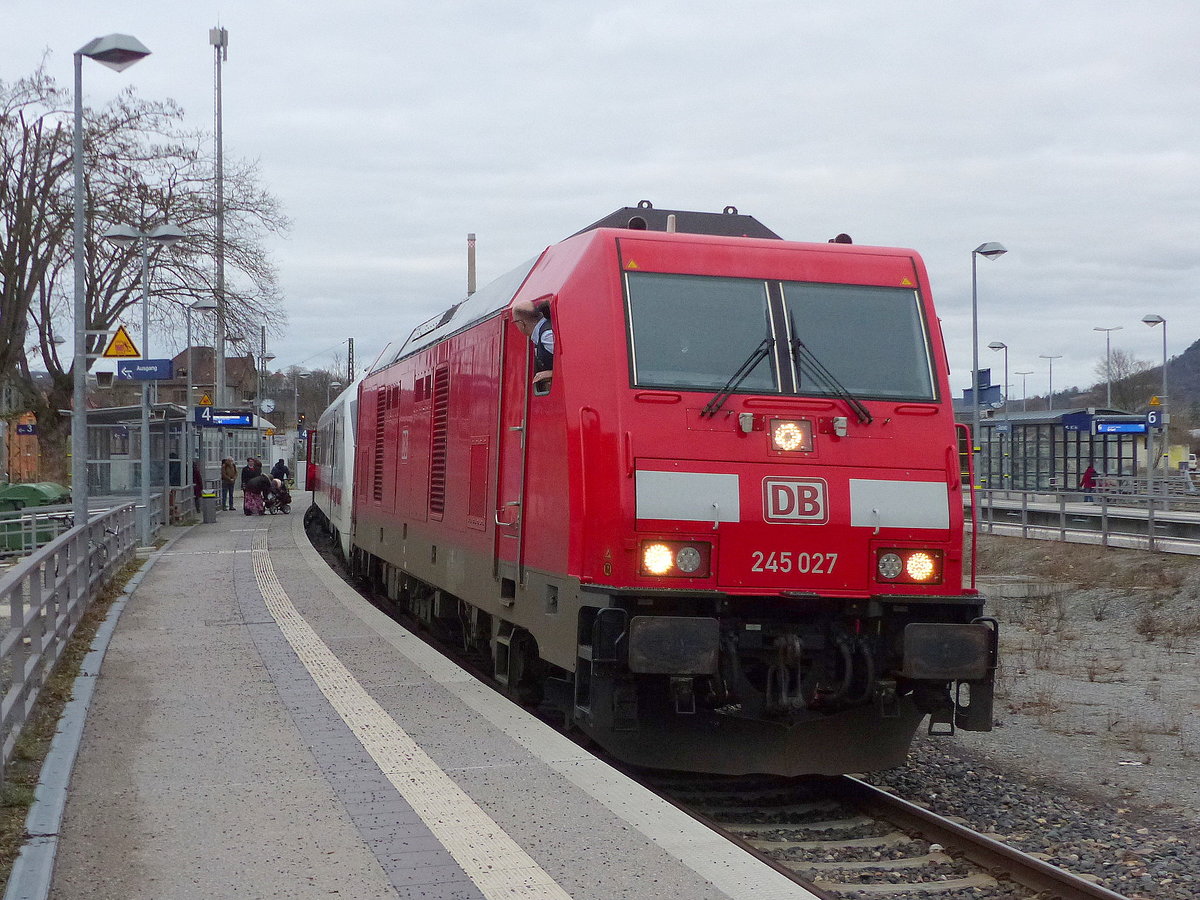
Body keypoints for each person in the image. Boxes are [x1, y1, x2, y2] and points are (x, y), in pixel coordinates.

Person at [511, 299, 554, 388]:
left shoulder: (547, 336)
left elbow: (572, 361)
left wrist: (551, 373)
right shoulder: (541, 334)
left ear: (521, 323)